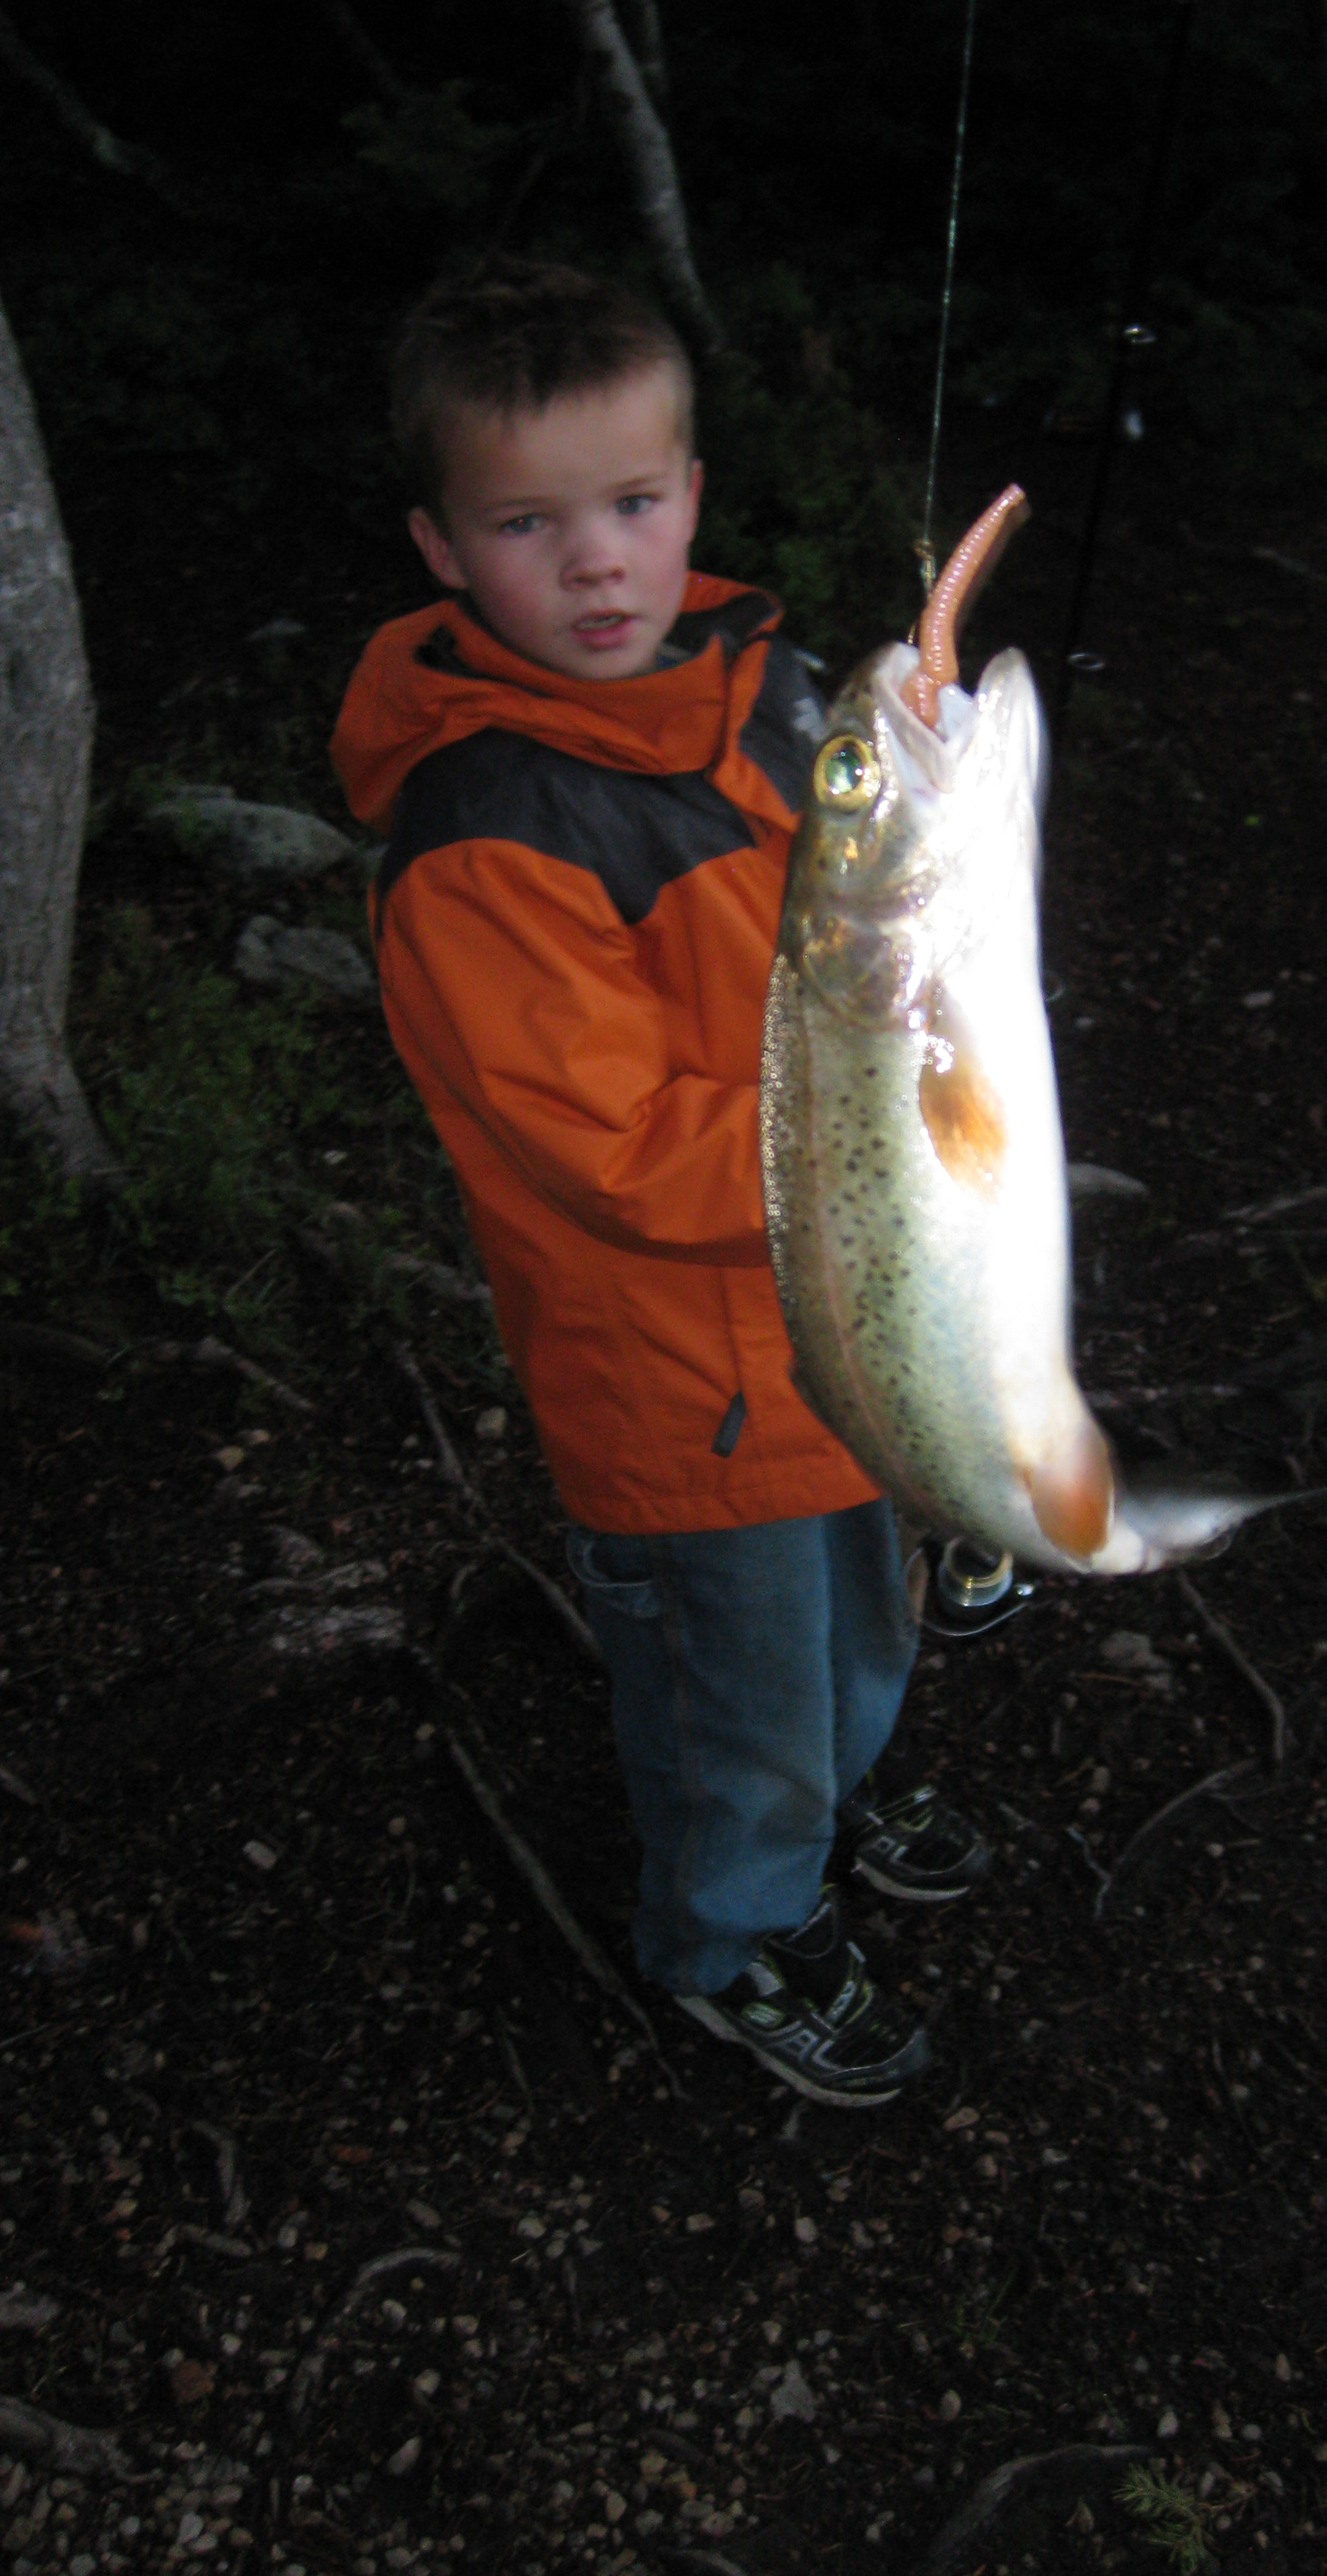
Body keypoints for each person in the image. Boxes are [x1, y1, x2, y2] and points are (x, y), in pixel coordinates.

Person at [330, 257, 987, 2108]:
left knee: (866, 1604)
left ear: (695, 492)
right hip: (681, 1381)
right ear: (443, 548)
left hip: (841, 1326)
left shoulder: (778, 695)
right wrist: (897, 1118)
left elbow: (882, 920)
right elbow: (619, 1156)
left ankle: (852, 1786)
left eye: (631, 504)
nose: (598, 563)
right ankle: (732, 1934)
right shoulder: (486, 842)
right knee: (732, 1685)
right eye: (528, 524)